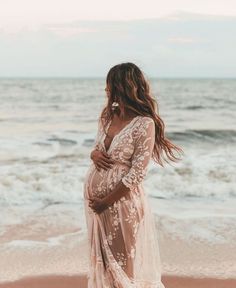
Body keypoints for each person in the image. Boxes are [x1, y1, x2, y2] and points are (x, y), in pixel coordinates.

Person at [83, 62, 183, 287]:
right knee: (105, 267)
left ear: (122, 86)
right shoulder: (108, 116)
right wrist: (94, 154)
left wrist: (106, 202)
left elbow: (138, 172)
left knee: (121, 268)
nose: (106, 89)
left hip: (121, 204)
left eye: (109, 84)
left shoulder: (144, 124)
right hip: (97, 206)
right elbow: (99, 148)